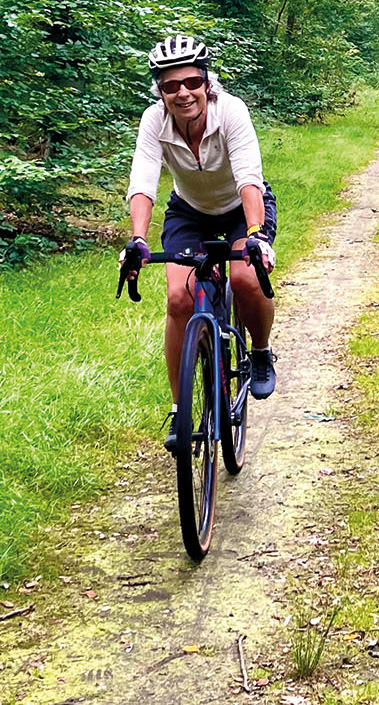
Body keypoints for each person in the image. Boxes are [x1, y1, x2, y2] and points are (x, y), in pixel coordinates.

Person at [122, 34, 278, 454]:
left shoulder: (231, 111)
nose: (183, 93)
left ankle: (260, 351)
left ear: (207, 82)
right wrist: (137, 239)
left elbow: (249, 177)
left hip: (241, 209)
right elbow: (143, 182)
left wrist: (256, 234)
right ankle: (181, 410)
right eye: (171, 86)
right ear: (160, 91)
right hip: (189, 211)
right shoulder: (154, 121)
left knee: (245, 279)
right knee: (179, 299)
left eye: (192, 82)